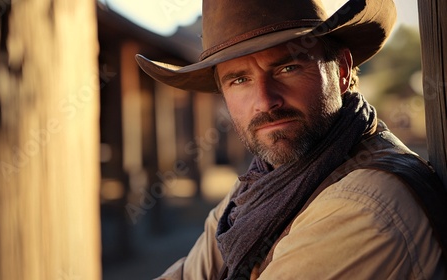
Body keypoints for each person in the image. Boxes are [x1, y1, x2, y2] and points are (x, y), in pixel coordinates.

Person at [136, 0, 447, 279]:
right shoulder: (259, 183)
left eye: (287, 67)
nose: (265, 101)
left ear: (340, 70)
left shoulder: (363, 203)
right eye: (240, 80)